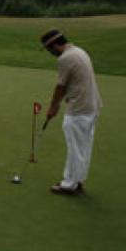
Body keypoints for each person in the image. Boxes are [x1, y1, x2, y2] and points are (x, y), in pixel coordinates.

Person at [41, 29, 102, 195]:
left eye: (48, 48)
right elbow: (75, 81)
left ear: (54, 45)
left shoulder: (65, 59)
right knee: (83, 147)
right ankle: (78, 181)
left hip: (79, 110)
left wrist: (53, 106)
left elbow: (60, 87)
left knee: (75, 148)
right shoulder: (79, 51)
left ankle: (69, 185)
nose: (49, 52)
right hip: (92, 106)